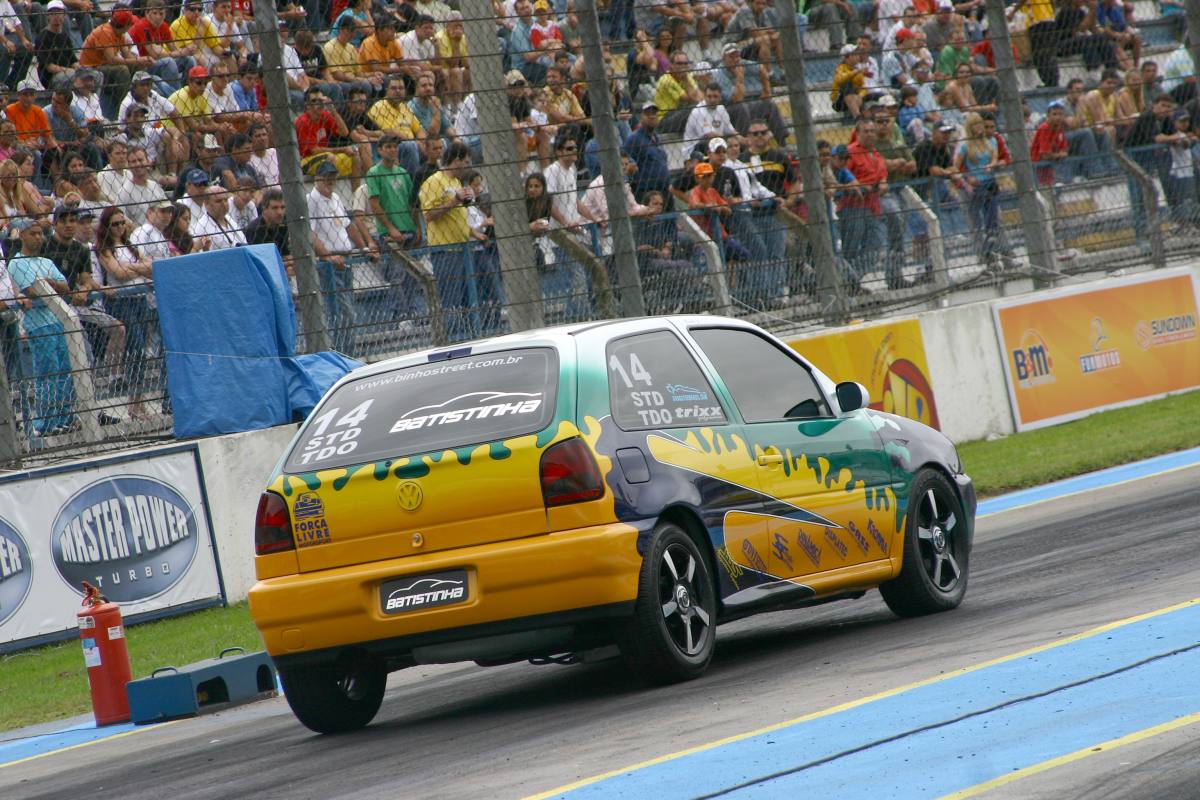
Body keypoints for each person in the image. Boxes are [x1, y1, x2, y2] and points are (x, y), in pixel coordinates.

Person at [8, 218, 77, 435]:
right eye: (33, 233)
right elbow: (33, 290)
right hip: (39, 323)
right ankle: (45, 422)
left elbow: (64, 286)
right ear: (22, 235)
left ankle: (63, 418)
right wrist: (52, 285)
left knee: (66, 369)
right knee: (48, 371)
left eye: (40, 233)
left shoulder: (46, 261)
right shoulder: (16, 263)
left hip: (58, 321)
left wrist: (51, 285)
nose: (38, 237)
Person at [95, 206, 156, 419]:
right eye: (115, 224)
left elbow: (150, 268)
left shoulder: (129, 246)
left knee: (141, 350)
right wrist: (137, 268)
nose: (120, 227)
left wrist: (132, 268)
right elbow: (118, 274)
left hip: (139, 299)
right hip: (121, 301)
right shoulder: (104, 248)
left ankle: (138, 403)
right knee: (136, 348)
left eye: (122, 223)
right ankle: (134, 402)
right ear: (106, 226)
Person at [419, 142, 480, 338]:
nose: (468, 166)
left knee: (465, 298)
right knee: (451, 299)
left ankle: (468, 335)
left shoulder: (455, 182)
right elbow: (427, 215)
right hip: (445, 249)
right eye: (466, 162)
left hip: (462, 247)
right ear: (456, 161)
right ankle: (453, 338)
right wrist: (454, 201)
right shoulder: (434, 181)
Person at [310, 160, 372, 351]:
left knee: (347, 309)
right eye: (327, 177)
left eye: (333, 177)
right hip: (329, 264)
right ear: (317, 179)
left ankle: (347, 350)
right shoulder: (311, 199)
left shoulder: (335, 197)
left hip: (345, 259)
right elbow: (310, 234)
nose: (331, 180)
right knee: (342, 313)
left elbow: (347, 226)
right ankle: (343, 351)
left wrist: (364, 248)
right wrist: (328, 257)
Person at [954, 112, 1013, 274]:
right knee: (977, 224)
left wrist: (995, 164)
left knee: (993, 222)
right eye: (977, 125)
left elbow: (1000, 158)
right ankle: (987, 258)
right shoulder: (965, 145)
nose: (981, 129)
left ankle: (999, 254)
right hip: (975, 187)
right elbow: (956, 166)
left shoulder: (992, 140)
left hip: (989, 183)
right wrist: (967, 181)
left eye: (983, 125)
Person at [80, 8, 151, 120]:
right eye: (130, 24)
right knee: (122, 70)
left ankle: (142, 97)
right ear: (125, 25)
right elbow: (112, 59)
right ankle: (125, 104)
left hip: (105, 67)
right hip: (92, 67)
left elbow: (127, 55)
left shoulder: (119, 33)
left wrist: (141, 61)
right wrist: (138, 60)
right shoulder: (105, 32)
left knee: (139, 66)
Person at [625, 103, 671, 200]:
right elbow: (626, 163)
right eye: (647, 114)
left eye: (654, 113)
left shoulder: (657, 138)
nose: (652, 116)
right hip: (646, 193)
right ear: (641, 117)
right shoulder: (634, 139)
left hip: (664, 190)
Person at [37, 0, 79, 92]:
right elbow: (50, 67)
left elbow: (73, 60)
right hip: (52, 77)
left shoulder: (64, 35)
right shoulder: (42, 37)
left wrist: (81, 69)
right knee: (73, 75)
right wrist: (70, 71)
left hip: (68, 72)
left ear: (64, 15)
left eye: (59, 13)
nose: (57, 16)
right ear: (48, 16)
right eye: (53, 13)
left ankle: (91, 102)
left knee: (95, 74)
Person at [192, 186, 247, 251]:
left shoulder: (229, 218)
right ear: (206, 203)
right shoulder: (201, 227)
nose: (224, 204)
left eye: (225, 200)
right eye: (218, 201)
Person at [1030, 101, 1070, 187]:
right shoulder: (1044, 128)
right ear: (1048, 116)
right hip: (1038, 166)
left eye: (1060, 114)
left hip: (1052, 164)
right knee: (1046, 188)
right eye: (1054, 114)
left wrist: (1056, 155)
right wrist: (1059, 155)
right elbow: (1044, 155)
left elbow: (1065, 151)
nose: (1058, 117)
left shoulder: (1060, 128)